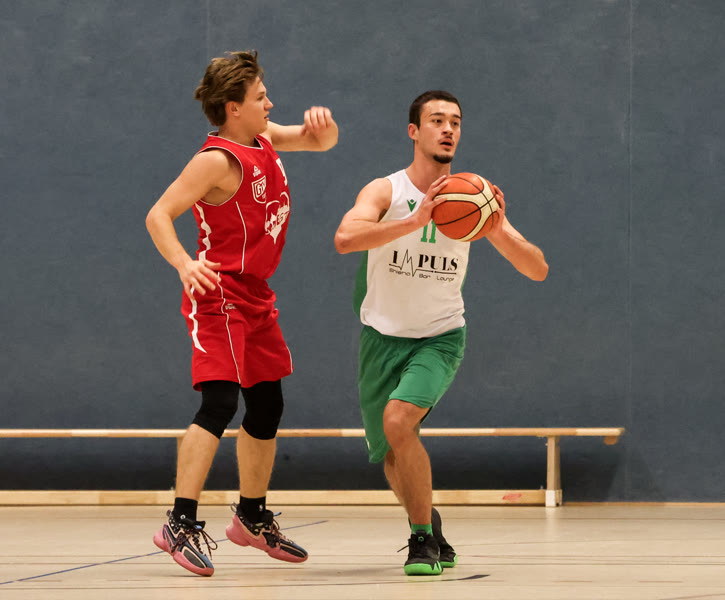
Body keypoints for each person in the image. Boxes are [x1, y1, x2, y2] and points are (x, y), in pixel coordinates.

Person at [333, 90, 548, 575]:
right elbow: (345, 239)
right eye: (436, 120)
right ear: (414, 131)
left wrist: (497, 229)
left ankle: (420, 541)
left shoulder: (474, 197)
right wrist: (413, 221)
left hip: (439, 336)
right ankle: (430, 523)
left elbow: (538, 269)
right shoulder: (386, 191)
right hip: (381, 337)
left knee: (398, 422)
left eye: (455, 121)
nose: (448, 128)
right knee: (392, 455)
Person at [145, 50, 338, 577]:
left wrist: (325, 132)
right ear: (234, 108)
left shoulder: (265, 137)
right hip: (219, 294)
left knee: (268, 405)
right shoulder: (215, 160)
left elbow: (317, 142)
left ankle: (251, 517)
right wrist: (184, 263)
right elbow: (159, 214)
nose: (269, 104)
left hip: (255, 295)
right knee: (219, 403)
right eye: (260, 97)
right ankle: (179, 521)